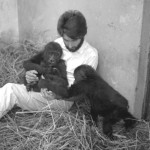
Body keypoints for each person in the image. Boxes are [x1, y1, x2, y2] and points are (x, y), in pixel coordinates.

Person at [0, 10, 98, 119]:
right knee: (8, 90)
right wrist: (31, 75)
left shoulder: (91, 55)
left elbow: (81, 92)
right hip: (43, 85)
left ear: (82, 34)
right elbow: (37, 63)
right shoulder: (58, 43)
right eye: (66, 40)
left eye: (74, 40)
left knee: (10, 91)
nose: (70, 45)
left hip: (62, 99)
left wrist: (57, 95)